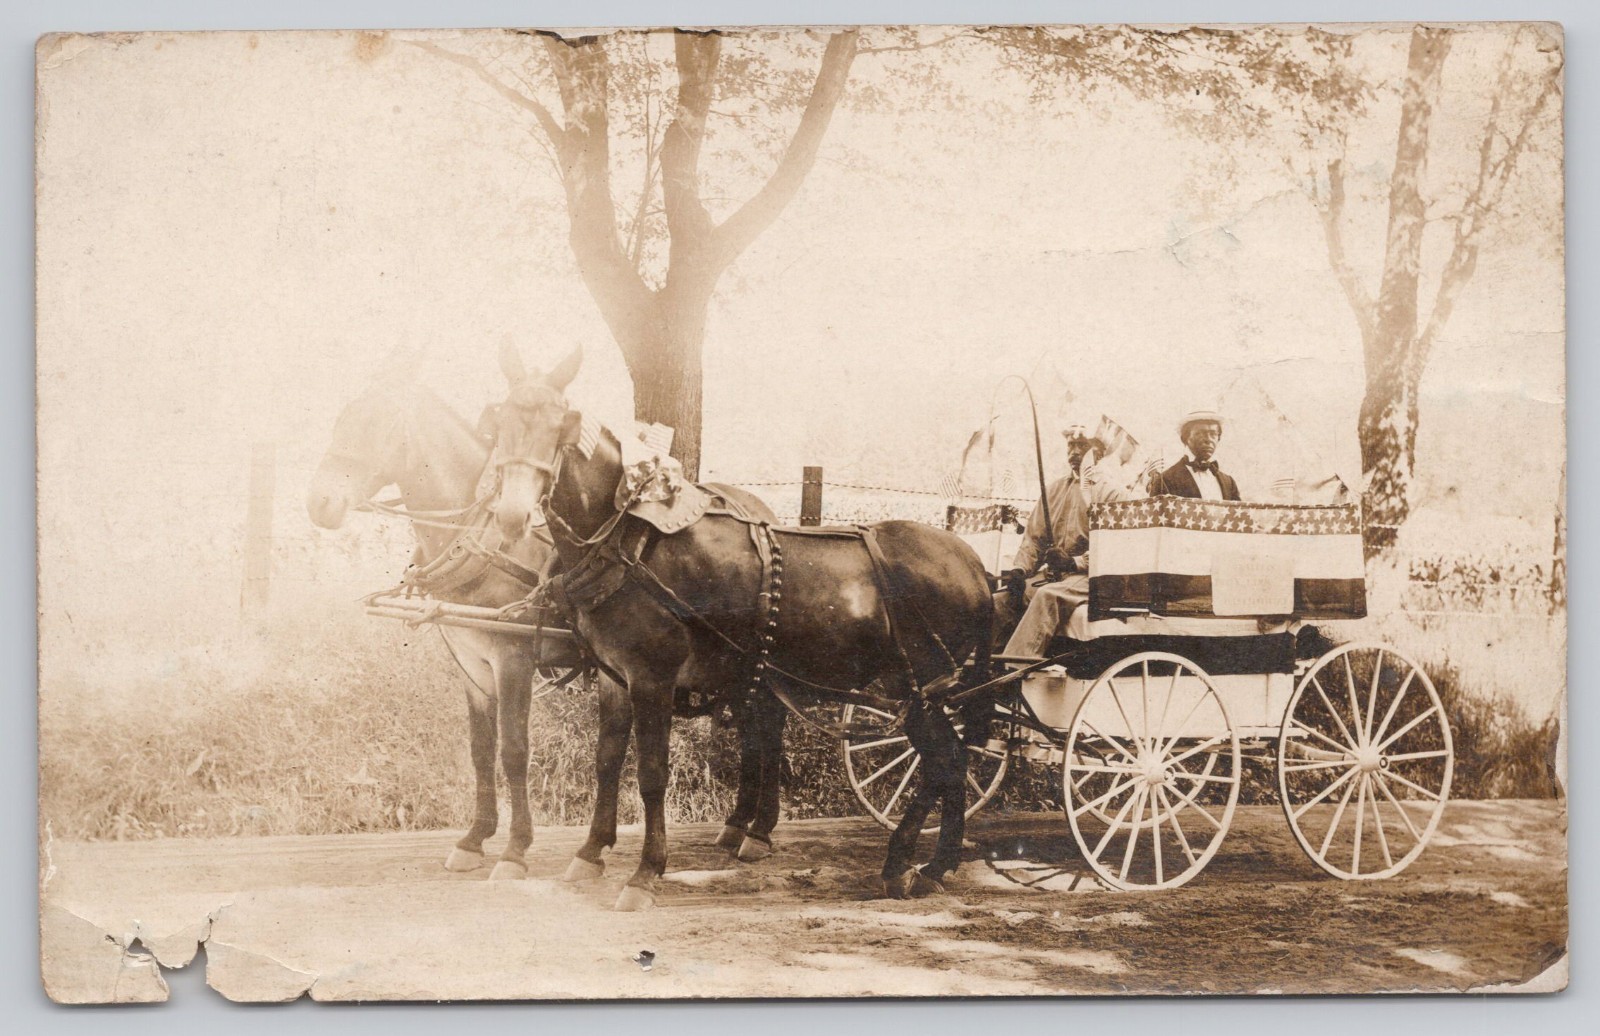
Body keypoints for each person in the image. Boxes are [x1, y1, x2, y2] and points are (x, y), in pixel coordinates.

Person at [994, 425, 1100, 659]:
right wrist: (1020, 570)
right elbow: (1034, 538)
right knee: (1001, 600)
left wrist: (1074, 562)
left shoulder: (1111, 492)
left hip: (1092, 577)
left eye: (1082, 445)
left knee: (1046, 596)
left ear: (1099, 451)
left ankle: (1015, 667)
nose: (1074, 451)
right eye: (1071, 445)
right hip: (1055, 575)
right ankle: (978, 667)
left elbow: (1113, 549)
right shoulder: (1053, 490)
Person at [1148, 409, 1241, 501]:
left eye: (1213, 434)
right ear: (1185, 438)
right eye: (1200, 434)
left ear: (1218, 438)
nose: (1208, 439)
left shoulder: (1229, 483)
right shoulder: (1166, 480)